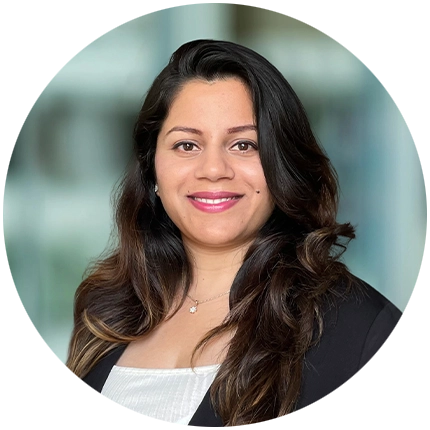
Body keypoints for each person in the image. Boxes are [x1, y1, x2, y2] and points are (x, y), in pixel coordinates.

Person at [59, 39, 425, 427]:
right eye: (186, 145)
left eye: (243, 144)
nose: (213, 169)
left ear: (282, 165)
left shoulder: (362, 332)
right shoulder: (105, 313)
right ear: (152, 171)